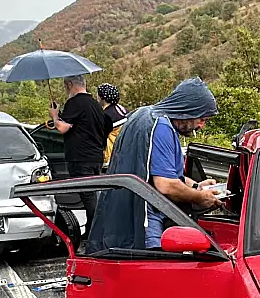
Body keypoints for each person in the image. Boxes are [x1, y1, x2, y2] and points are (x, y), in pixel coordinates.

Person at [86, 78, 221, 254]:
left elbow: (158, 171)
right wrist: (200, 197)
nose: (202, 125)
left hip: (117, 217)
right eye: (202, 118)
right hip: (144, 225)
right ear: (188, 110)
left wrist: (197, 186)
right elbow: (165, 184)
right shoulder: (161, 127)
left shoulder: (143, 115)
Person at [49, 75, 110, 242]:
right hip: (96, 158)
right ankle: (92, 234)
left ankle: (97, 236)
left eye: (65, 86)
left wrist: (55, 115)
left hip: (80, 158)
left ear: (69, 84)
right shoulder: (96, 106)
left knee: (89, 197)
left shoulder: (75, 103)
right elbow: (81, 126)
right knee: (92, 195)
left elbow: (62, 127)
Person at [96, 83, 128, 169]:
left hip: (110, 156)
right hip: (125, 154)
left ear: (102, 97)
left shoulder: (106, 115)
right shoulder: (122, 110)